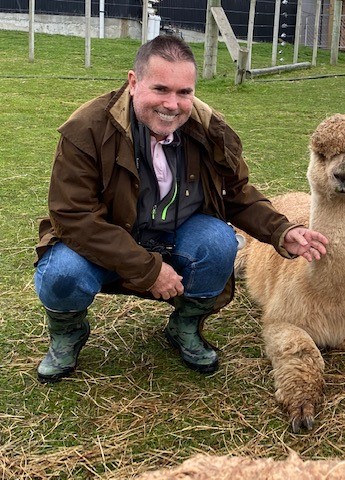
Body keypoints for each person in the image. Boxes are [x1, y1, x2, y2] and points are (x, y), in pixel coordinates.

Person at [34, 35, 328, 383]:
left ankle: (185, 326)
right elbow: (73, 217)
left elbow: (235, 193)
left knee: (220, 243)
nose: (172, 104)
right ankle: (68, 334)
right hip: (104, 245)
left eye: (184, 92)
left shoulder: (209, 130)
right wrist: (148, 269)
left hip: (173, 236)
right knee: (62, 272)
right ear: (133, 82)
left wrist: (282, 230)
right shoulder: (87, 129)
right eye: (160, 89)